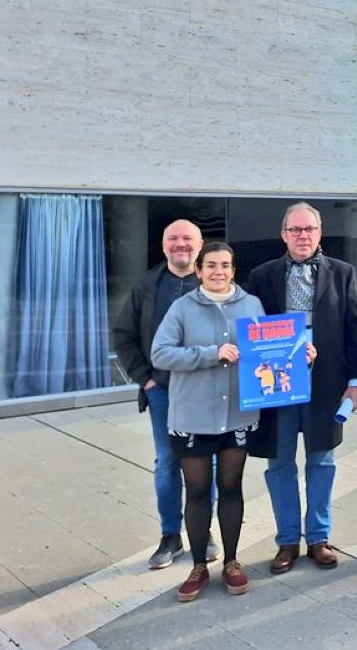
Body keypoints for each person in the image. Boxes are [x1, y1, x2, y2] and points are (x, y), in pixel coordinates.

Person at [152, 242, 316, 601]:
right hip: (192, 416)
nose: (218, 272)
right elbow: (160, 353)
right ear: (199, 270)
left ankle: (231, 562)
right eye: (210, 265)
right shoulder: (182, 307)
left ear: (233, 269)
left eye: (225, 265)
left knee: (231, 489)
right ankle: (198, 566)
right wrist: (210, 355)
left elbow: (270, 351)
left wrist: (298, 353)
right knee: (196, 493)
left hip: (237, 415)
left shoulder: (251, 305)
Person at [245, 203, 357, 574]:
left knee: (321, 460)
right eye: (295, 230)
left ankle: (318, 537)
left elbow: (352, 328)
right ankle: (287, 541)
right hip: (278, 385)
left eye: (309, 229)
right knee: (280, 462)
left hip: (326, 383)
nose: (302, 235)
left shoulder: (342, 273)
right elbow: (252, 330)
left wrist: (356, 381)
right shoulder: (261, 275)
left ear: (319, 232)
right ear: (284, 234)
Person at [111, 219, 220, 569]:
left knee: (208, 462)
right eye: (173, 238)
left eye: (187, 238)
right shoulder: (147, 286)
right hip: (163, 393)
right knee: (168, 463)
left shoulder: (217, 283)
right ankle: (170, 536)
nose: (180, 244)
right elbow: (124, 335)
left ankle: (205, 533)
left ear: (200, 244)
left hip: (206, 391)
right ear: (163, 245)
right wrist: (145, 380)